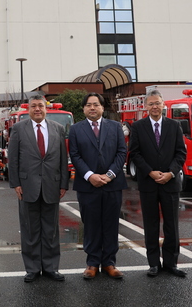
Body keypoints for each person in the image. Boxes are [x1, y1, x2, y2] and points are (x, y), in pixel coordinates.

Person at [8, 95, 69, 282]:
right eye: (33, 106)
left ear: (46, 108)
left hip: (52, 185)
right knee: (30, 229)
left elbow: (62, 159)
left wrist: (63, 183)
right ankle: (32, 268)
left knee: (51, 230)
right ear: (28, 109)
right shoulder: (18, 129)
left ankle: (51, 268)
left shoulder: (58, 129)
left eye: (40, 106)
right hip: (27, 187)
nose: (37, 109)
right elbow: (13, 158)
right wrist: (16, 183)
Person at [128, 89, 188, 277]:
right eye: (151, 103)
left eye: (158, 103)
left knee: (172, 225)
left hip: (170, 183)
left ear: (163, 105)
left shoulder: (174, 125)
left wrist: (171, 173)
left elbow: (181, 153)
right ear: (146, 106)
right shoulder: (138, 127)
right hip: (148, 183)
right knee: (151, 225)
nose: (155, 107)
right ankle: (153, 263)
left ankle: (171, 263)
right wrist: (150, 172)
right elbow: (135, 153)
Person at [69, 92, 127, 280]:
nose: (92, 108)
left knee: (111, 224)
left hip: (112, 184)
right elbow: (75, 155)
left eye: (96, 104)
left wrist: (110, 175)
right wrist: (90, 175)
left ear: (102, 107)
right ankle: (92, 263)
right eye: (88, 105)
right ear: (84, 108)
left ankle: (109, 262)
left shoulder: (115, 127)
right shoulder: (76, 129)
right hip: (88, 186)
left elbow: (121, 152)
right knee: (91, 225)